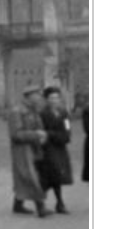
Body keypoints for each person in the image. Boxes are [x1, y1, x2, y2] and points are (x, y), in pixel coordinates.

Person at [7, 85, 50, 218]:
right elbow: (16, 134)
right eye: (37, 94)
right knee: (30, 177)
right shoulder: (17, 111)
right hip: (22, 149)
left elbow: (40, 127)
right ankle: (40, 206)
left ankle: (18, 204)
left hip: (34, 147)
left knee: (26, 177)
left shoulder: (33, 110)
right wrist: (36, 134)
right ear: (29, 96)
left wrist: (42, 135)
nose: (39, 97)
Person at [39, 86, 73, 214]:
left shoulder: (64, 113)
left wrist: (65, 135)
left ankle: (59, 203)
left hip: (60, 148)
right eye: (52, 98)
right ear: (46, 100)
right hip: (48, 149)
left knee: (57, 176)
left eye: (57, 97)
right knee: (49, 176)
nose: (55, 100)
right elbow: (42, 131)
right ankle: (42, 203)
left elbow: (67, 129)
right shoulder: (42, 114)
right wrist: (53, 134)